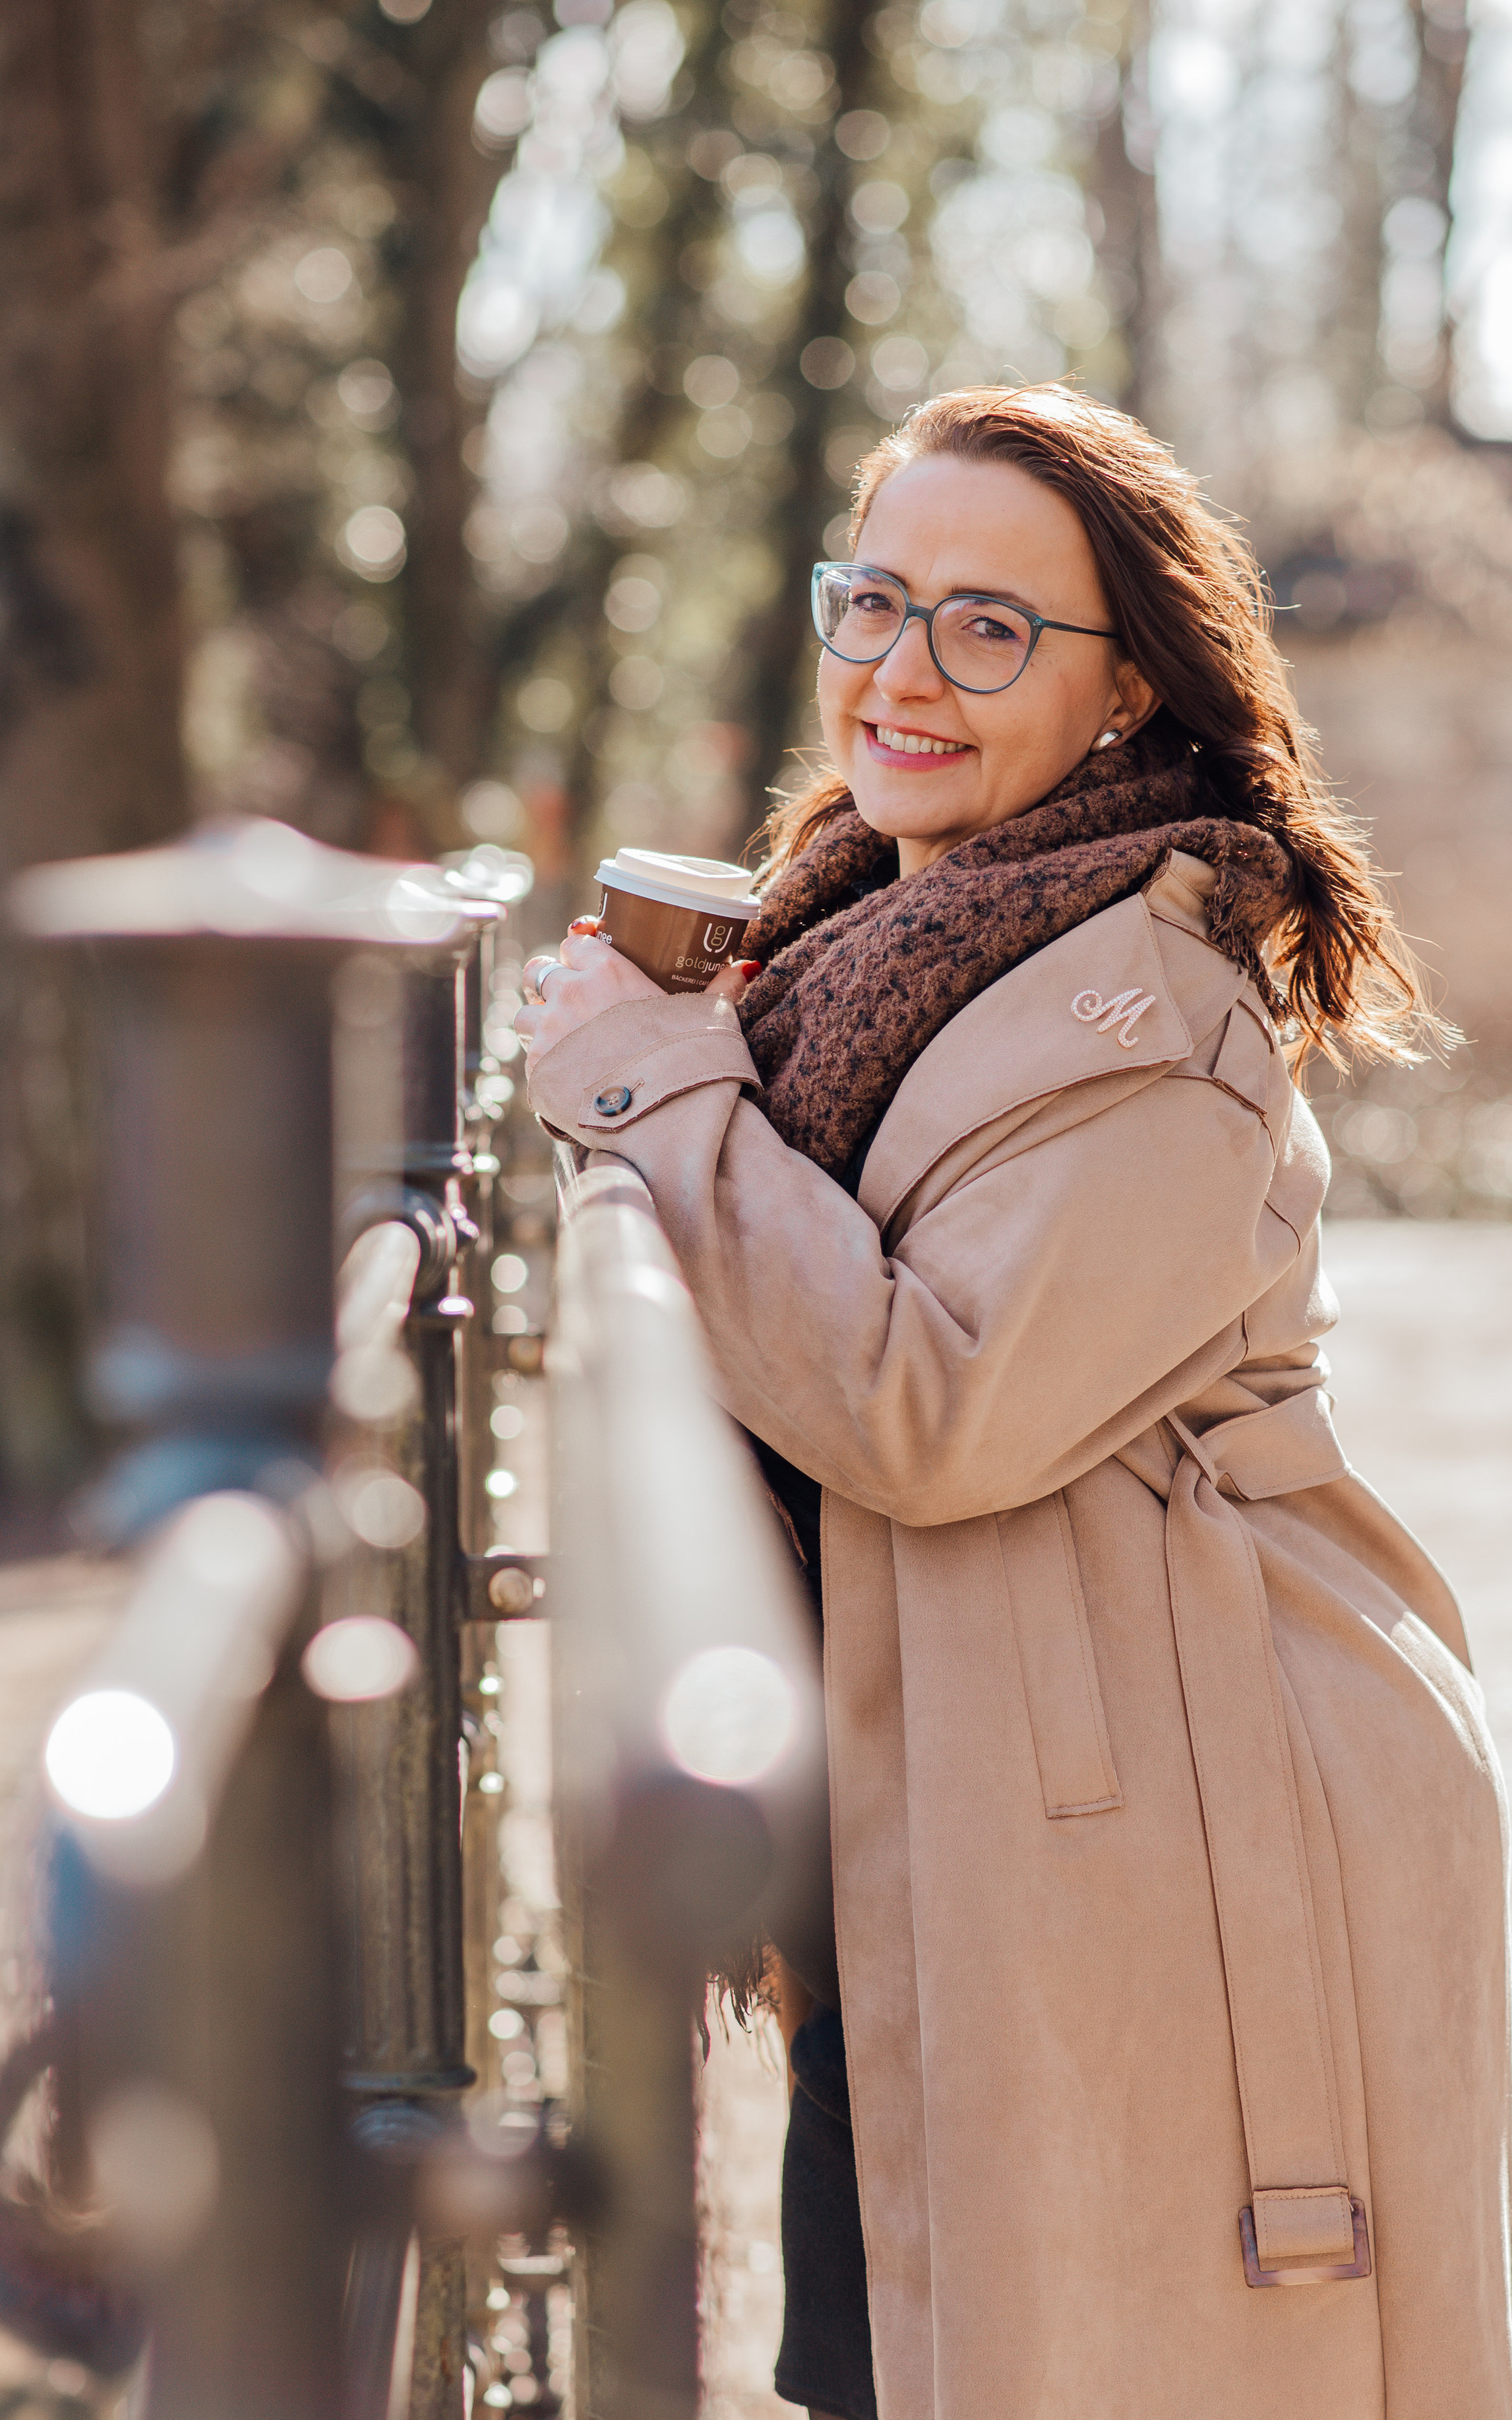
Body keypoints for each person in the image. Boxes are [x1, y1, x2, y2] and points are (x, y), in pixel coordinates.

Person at [514, 385, 1512, 2420]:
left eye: (988, 627)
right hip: (952, 1815)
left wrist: (646, 1080)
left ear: (1128, 684)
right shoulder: (871, 930)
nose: (902, 669)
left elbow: (925, 1403)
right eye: (873, 600)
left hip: (1160, 1832)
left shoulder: (1158, 1022)